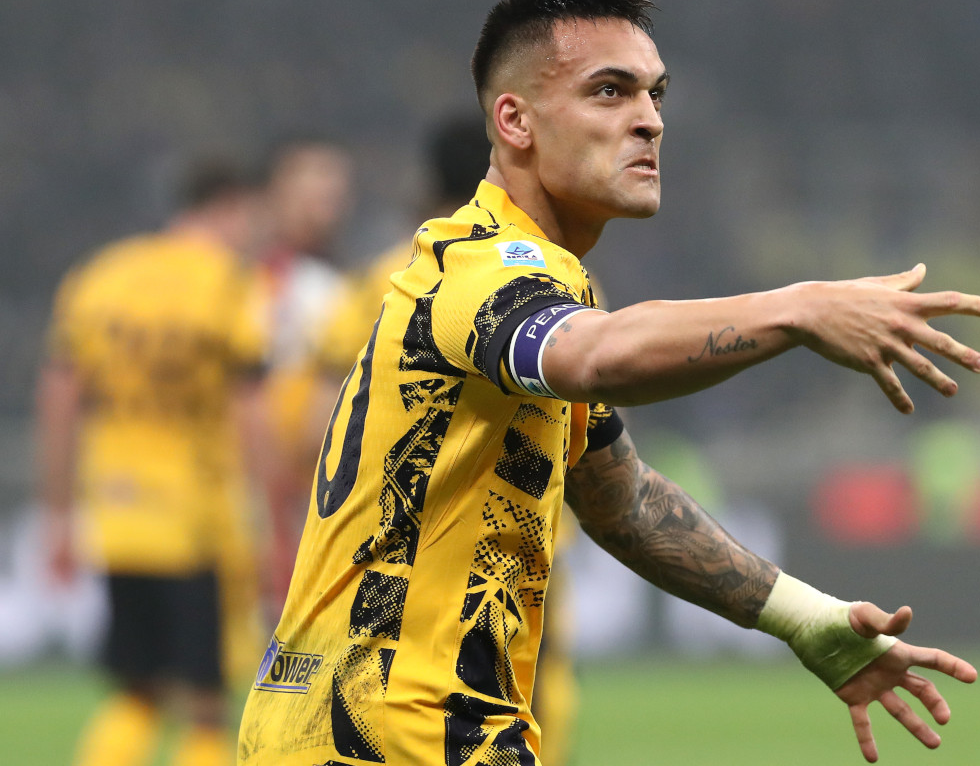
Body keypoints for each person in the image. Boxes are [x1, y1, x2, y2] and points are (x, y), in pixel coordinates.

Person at [237, 0, 980, 765]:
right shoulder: (480, 266)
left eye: (655, 93)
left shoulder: (540, 284)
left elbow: (620, 499)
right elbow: (599, 357)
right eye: (609, 91)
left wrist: (806, 620)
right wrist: (796, 309)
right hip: (386, 731)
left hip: (385, 723)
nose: (649, 119)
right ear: (515, 121)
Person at [313, 112, 583, 765]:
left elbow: (315, 425)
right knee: (523, 702)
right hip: (513, 546)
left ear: (427, 181)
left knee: (372, 705)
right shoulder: (550, 279)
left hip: (380, 545)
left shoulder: (371, 285)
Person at [38, 158, 269, 766]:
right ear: (229, 208)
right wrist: (274, 511)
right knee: (206, 702)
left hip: (116, 513)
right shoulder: (227, 281)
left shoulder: (100, 276)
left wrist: (58, 515)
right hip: (196, 518)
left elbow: (59, 399)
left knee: (136, 690)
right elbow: (251, 408)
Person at [254, 135, 356, 608]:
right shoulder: (254, 286)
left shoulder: (339, 285)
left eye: (333, 192)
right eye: (311, 189)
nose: (326, 203)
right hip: (264, 497)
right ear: (274, 196)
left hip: (320, 497)